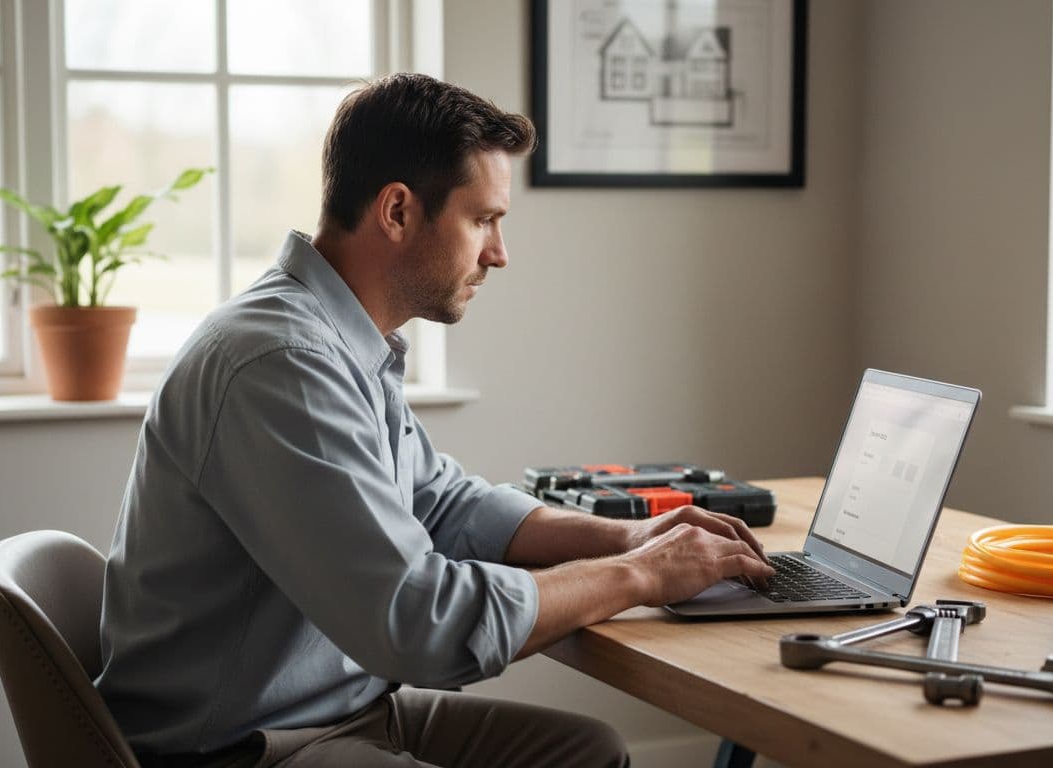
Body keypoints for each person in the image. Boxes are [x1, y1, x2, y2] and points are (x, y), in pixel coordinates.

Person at [96, 72, 774, 768]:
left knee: (589, 754)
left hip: (337, 710)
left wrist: (628, 534)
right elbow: (418, 620)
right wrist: (640, 575)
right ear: (396, 211)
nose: (498, 254)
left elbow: (443, 505)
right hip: (239, 747)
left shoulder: (340, 338)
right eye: (482, 219)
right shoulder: (281, 361)